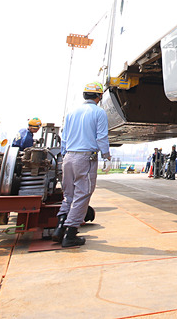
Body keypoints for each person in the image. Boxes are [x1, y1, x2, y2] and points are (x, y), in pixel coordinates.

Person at [53, 82, 110, 248]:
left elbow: (63, 138)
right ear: (99, 96)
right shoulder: (99, 113)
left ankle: (59, 227)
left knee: (68, 194)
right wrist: (106, 156)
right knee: (83, 194)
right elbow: (101, 137)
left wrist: (65, 154)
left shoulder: (72, 112)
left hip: (68, 157)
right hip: (85, 158)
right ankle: (70, 234)